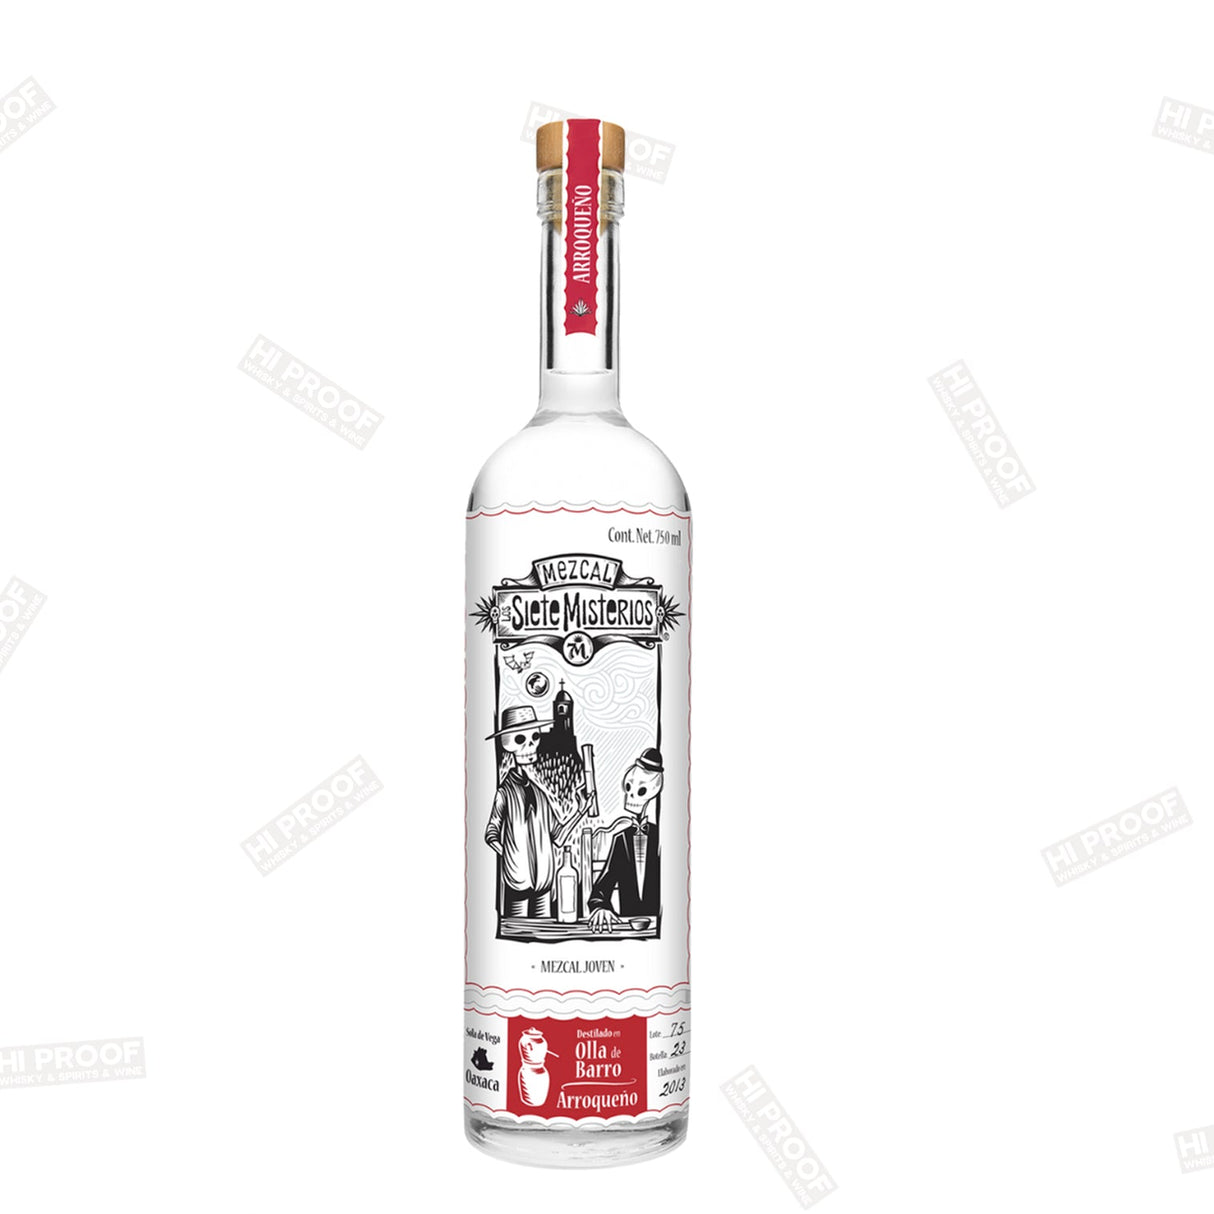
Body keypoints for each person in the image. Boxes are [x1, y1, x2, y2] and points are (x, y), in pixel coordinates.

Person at [484, 706, 559, 918]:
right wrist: (509, 855)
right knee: (516, 929)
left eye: (535, 737)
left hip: (544, 881)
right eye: (520, 739)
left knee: (543, 929)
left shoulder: (540, 794)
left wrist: (581, 811)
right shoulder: (505, 792)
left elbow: (558, 835)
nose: (530, 745)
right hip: (517, 881)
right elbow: (491, 833)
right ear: (508, 744)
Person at [588, 748, 663, 931]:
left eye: (641, 790)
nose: (630, 796)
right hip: (628, 927)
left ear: (654, 791)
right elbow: (600, 891)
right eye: (628, 788)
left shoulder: (663, 838)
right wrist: (600, 908)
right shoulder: (620, 839)